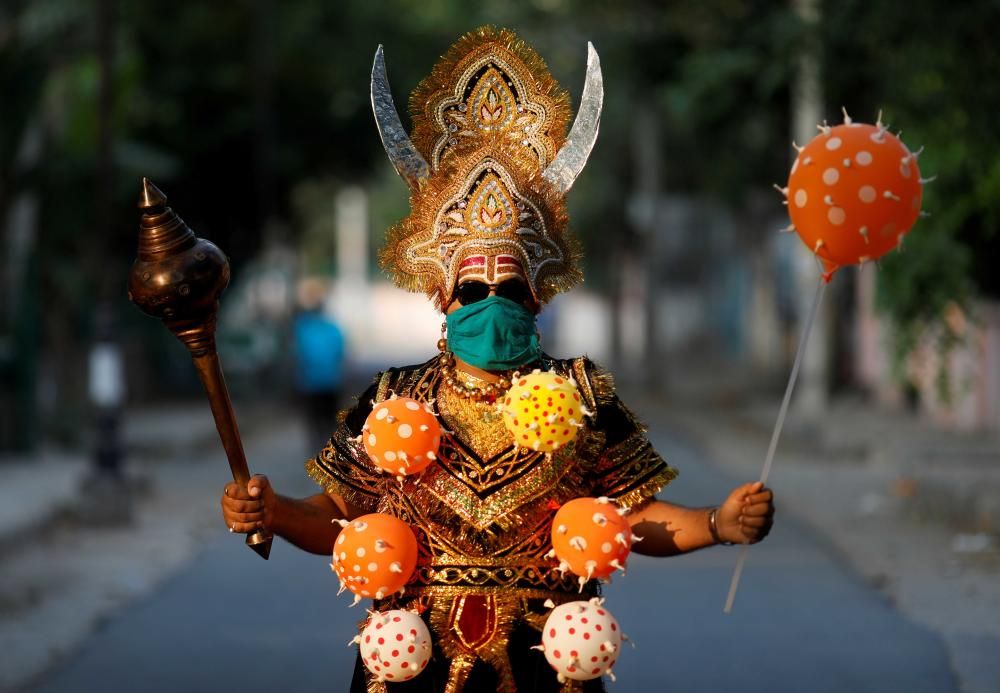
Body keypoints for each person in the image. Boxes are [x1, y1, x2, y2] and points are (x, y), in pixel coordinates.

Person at [222, 27, 774, 692]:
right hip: (410, 664)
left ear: (537, 295)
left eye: (509, 288)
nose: (492, 303)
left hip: (549, 663)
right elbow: (340, 515)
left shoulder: (583, 394)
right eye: (473, 290)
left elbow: (632, 517)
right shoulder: (395, 398)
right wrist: (275, 511)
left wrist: (717, 523)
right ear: (441, 295)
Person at [291, 277, 346, 451]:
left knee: (314, 418)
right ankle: (329, 448)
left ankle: (317, 448)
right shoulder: (332, 328)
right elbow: (340, 353)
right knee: (329, 418)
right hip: (330, 380)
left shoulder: (302, 327)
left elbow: (297, 355)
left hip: (311, 382)